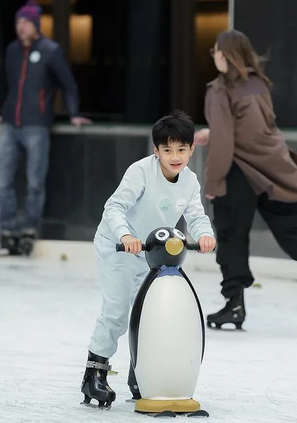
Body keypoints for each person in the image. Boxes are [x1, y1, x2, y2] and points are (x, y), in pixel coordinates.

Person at [194, 29, 297, 331]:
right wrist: (213, 132)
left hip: (239, 172)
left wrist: (213, 184)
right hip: (272, 169)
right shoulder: (258, 84)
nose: (213, 54)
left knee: (231, 236)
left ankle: (234, 303)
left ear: (225, 54)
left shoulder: (219, 90)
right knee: (290, 233)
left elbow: (226, 144)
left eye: (215, 49)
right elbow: (253, 128)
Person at [81, 110, 216, 409]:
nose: (175, 156)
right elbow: (113, 207)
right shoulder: (140, 172)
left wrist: (205, 234)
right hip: (117, 247)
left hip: (151, 254)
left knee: (149, 315)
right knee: (117, 312)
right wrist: (126, 236)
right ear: (156, 151)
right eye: (167, 150)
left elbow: (195, 215)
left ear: (192, 149)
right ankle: (94, 374)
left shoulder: (190, 181)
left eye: (181, 149)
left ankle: (141, 376)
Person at [0, 0, 91, 255]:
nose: (20, 28)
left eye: (25, 23)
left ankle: (30, 228)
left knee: (35, 182)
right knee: (1, 181)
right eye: (17, 23)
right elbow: (14, 88)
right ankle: (8, 229)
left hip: (37, 126)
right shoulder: (13, 50)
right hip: (12, 125)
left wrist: (74, 114)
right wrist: (5, 113)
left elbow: (68, 85)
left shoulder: (50, 50)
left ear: (35, 25)